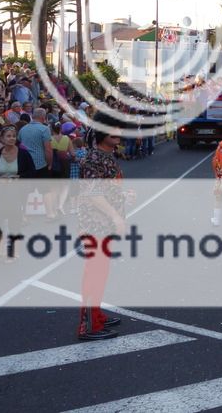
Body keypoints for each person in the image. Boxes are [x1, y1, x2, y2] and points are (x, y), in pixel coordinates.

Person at [77, 114, 132, 340]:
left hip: (104, 225)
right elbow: (93, 193)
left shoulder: (106, 155)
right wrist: (116, 217)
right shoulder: (93, 158)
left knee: (101, 272)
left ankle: (96, 315)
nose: (118, 132)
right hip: (95, 225)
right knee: (95, 274)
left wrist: (123, 197)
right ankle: (89, 326)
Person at [0, 125, 37, 262]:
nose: (12, 138)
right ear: (2, 138)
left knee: (14, 222)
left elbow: (32, 172)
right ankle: (0, 251)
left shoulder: (24, 154)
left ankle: (14, 252)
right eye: (8, 136)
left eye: (14, 136)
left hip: (16, 193)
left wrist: (19, 177)